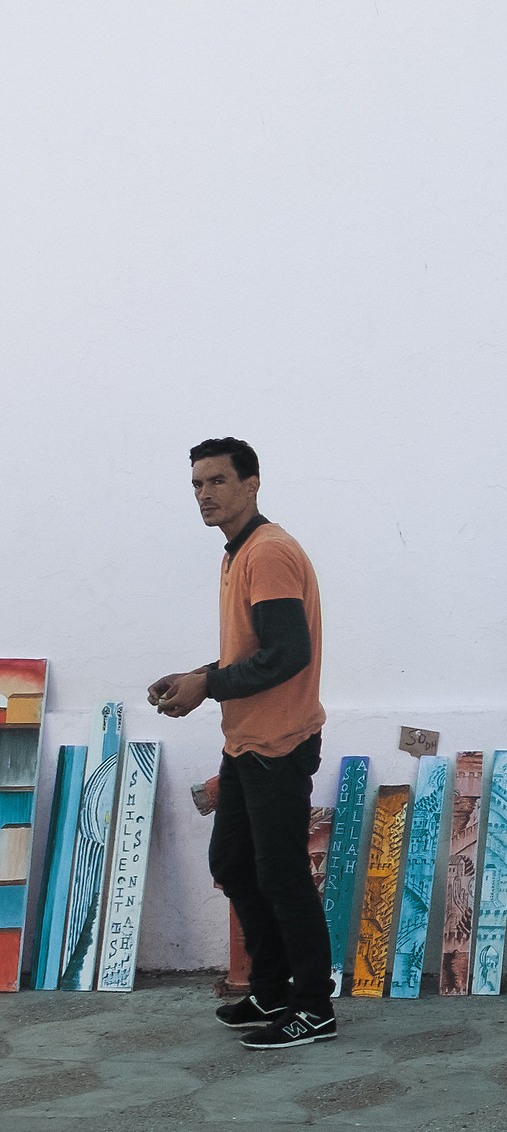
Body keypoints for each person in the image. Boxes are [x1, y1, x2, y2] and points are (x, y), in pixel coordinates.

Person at [148, 438, 336, 1050]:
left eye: (218, 481)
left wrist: (208, 686)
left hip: (278, 744)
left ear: (251, 484)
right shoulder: (237, 553)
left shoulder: (269, 552)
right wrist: (198, 676)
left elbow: (288, 654)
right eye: (197, 484)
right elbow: (254, 652)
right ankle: (272, 990)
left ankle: (314, 1007)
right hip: (246, 743)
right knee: (233, 864)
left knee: (283, 876)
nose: (204, 494)